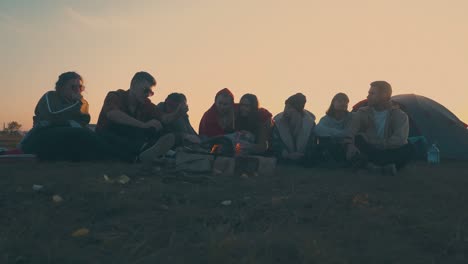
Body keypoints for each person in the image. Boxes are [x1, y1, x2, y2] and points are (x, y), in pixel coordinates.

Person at [21, 71, 108, 161]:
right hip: (43, 134)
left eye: (80, 87)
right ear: (61, 87)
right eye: (73, 87)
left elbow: (84, 120)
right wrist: (77, 105)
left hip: (66, 136)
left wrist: (77, 105)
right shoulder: (50, 96)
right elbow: (53, 114)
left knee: (95, 135)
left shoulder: (81, 103)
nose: (77, 90)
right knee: (81, 134)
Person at [96, 71, 177, 163]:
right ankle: (154, 152)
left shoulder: (145, 104)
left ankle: (154, 152)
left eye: (151, 93)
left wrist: (178, 112)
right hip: (106, 138)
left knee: (156, 126)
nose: (148, 95)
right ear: (133, 85)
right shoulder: (115, 96)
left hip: (130, 141)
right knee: (124, 127)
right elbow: (113, 114)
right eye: (146, 90)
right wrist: (143, 125)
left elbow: (164, 118)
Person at [347, 81, 413, 174]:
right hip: (369, 150)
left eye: (372, 93)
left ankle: (370, 166)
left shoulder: (400, 115)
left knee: (408, 147)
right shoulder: (362, 112)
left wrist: (376, 143)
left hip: (388, 151)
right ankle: (381, 168)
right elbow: (351, 132)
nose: (368, 96)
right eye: (368, 93)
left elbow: (399, 140)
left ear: (384, 95)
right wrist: (351, 146)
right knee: (358, 140)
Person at [271, 93, 316, 163]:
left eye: (289, 108)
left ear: (298, 111)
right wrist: (286, 154)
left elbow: (312, 145)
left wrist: (303, 155)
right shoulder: (277, 123)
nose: (285, 110)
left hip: (303, 161)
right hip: (283, 160)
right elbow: (275, 144)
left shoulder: (310, 125)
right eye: (285, 107)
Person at [313, 93, 353, 166]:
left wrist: (332, 133)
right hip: (330, 145)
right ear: (333, 103)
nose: (343, 104)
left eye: (345, 102)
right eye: (340, 101)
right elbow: (317, 130)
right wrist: (339, 134)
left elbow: (350, 132)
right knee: (325, 140)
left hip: (345, 146)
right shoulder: (326, 119)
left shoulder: (351, 117)